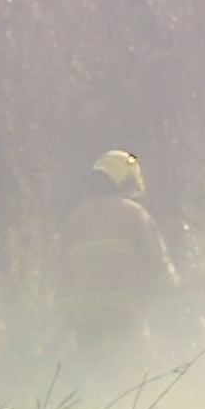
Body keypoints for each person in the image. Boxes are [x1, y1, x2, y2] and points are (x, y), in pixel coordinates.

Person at [50, 150, 181, 384]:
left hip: (86, 325)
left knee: (99, 386)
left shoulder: (72, 223)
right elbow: (158, 266)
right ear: (126, 181)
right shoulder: (135, 216)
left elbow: (61, 278)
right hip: (126, 320)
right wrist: (178, 302)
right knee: (133, 385)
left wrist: (69, 319)